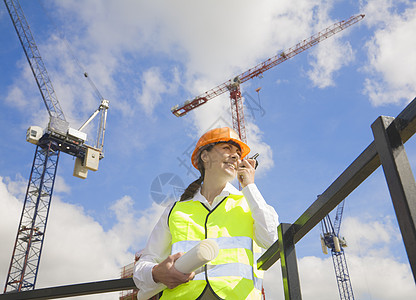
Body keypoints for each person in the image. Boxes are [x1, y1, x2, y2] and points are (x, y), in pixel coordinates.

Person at [133, 127, 279, 300]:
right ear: (205, 156)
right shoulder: (175, 210)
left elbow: (272, 239)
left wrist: (250, 186)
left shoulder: (250, 203)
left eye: (238, 153)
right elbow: (145, 263)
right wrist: (156, 273)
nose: (235, 156)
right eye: (227, 148)